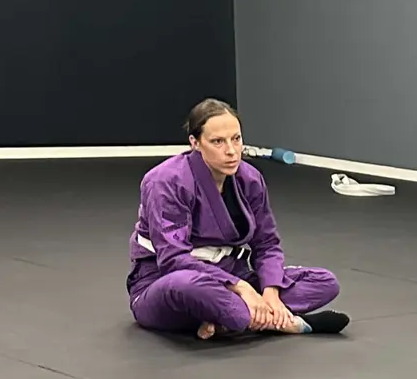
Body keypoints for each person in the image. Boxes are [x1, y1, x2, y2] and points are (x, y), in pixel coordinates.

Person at [125, 100, 347, 340]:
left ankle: (230, 320)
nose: (231, 151)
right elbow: (173, 259)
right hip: (166, 281)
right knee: (189, 286)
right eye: (218, 142)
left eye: (236, 139)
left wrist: (270, 292)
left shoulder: (249, 178)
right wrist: (242, 288)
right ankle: (280, 322)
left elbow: (267, 244)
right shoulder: (165, 181)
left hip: (231, 274)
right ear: (195, 143)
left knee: (325, 281)